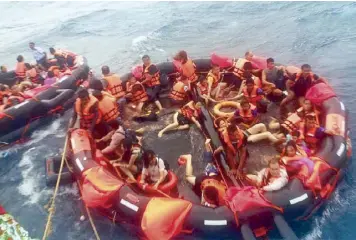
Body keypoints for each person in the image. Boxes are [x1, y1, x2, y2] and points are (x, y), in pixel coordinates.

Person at [218, 119, 283, 177]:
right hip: (248, 139)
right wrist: (236, 169)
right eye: (235, 135)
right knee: (267, 133)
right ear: (230, 135)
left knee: (262, 125)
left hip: (246, 133)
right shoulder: (228, 140)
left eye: (237, 133)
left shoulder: (235, 130)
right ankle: (274, 141)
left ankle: (268, 141)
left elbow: (238, 129)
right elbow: (239, 155)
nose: (237, 136)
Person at [182, 139, 226, 207]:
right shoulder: (205, 190)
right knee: (188, 176)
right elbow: (202, 202)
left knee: (210, 165)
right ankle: (189, 158)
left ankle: (207, 147)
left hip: (213, 178)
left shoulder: (223, 196)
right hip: (204, 179)